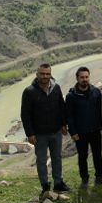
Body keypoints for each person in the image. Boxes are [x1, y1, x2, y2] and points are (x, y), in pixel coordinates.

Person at [20, 62, 69, 194]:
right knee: (41, 160)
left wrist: (63, 124)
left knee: (57, 158)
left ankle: (58, 183)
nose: (45, 76)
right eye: (42, 74)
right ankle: (45, 185)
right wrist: (30, 134)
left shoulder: (56, 88)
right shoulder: (29, 91)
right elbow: (25, 114)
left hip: (56, 131)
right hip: (39, 134)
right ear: (37, 74)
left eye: (47, 74)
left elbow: (61, 107)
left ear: (50, 75)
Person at [65, 66, 102, 187]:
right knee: (82, 157)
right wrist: (73, 132)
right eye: (82, 77)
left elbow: (101, 110)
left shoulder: (96, 92)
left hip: (95, 130)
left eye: (86, 77)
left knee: (98, 155)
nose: (85, 79)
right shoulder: (71, 96)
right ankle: (84, 179)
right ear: (77, 78)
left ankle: (99, 177)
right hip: (80, 132)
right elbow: (69, 116)